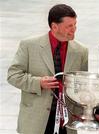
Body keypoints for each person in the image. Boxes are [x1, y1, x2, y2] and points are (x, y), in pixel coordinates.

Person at [7, 4, 88, 134]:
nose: (74, 29)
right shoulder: (29, 45)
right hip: (36, 122)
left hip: (66, 123)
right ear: (54, 27)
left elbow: (82, 86)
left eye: (75, 24)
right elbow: (13, 75)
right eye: (69, 26)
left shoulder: (81, 51)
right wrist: (38, 83)